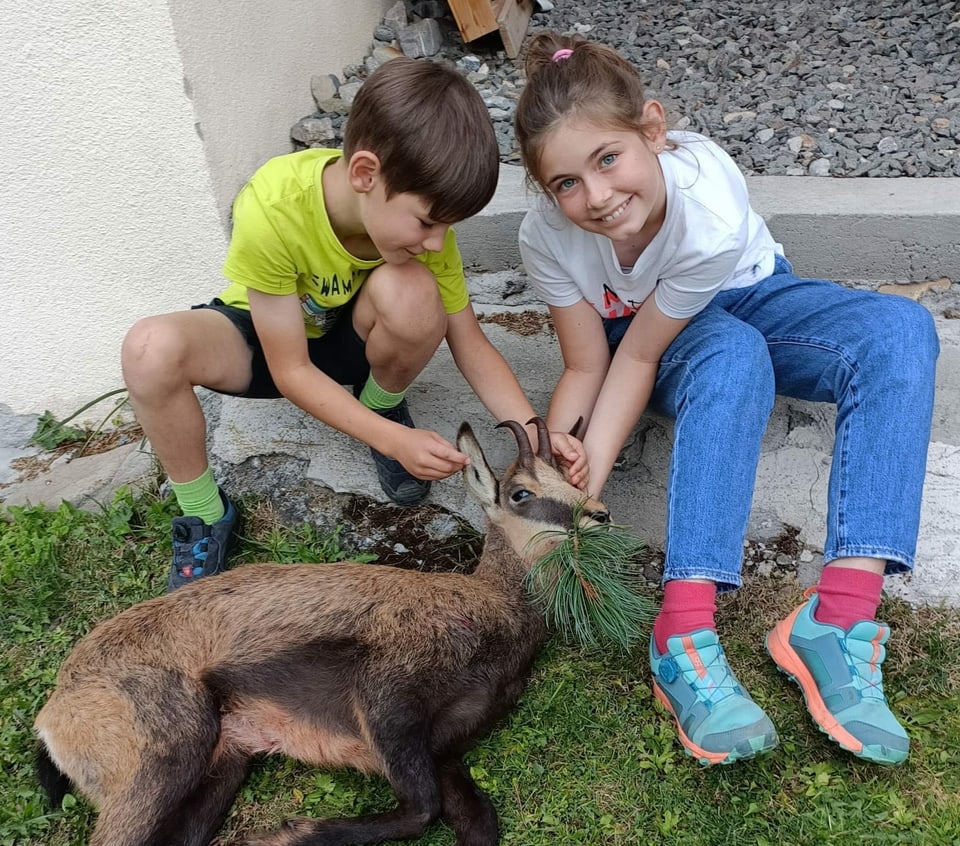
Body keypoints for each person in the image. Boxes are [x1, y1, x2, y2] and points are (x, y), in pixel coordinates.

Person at [513, 32, 939, 767]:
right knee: (729, 357)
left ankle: (836, 622)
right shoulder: (548, 236)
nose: (597, 197)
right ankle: (682, 636)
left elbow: (647, 351)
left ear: (653, 128)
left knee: (900, 329)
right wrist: (567, 482)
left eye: (608, 159)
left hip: (748, 290)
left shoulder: (704, 209)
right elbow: (595, 362)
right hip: (650, 332)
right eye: (566, 183)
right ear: (546, 191)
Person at [122, 57, 587, 590]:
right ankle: (205, 513)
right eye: (428, 222)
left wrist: (536, 436)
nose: (437, 242)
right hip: (266, 342)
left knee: (414, 290)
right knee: (149, 349)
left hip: (352, 344)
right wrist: (394, 442)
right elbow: (292, 371)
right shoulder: (275, 204)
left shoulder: (418, 227)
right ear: (366, 174)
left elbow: (470, 343)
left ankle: (378, 401)